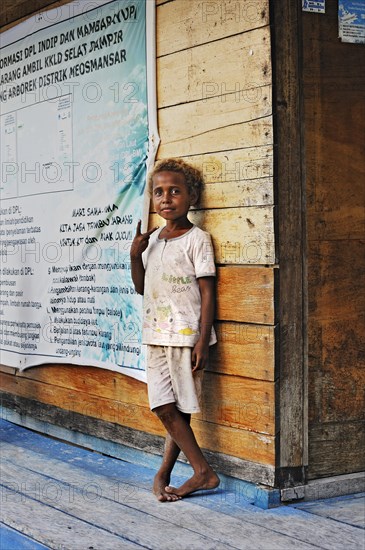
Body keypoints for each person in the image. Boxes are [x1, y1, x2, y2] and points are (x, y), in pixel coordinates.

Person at [130, 158, 220, 502]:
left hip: (185, 335)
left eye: (175, 191)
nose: (166, 198)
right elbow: (141, 287)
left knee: (175, 409)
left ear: (191, 197)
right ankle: (184, 472)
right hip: (154, 334)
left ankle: (199, 473)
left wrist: (201, 339)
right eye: (159, 192)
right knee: (165, 408)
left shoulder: (198, 239)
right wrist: (134, 256)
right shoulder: (152, 241)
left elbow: (207, 291)